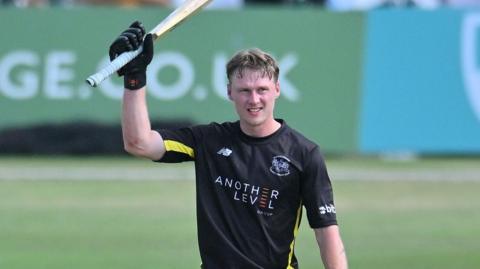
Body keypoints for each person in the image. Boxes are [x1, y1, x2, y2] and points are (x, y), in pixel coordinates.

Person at [109, 21, 348, 269]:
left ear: (277, 89)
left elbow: (326, 232)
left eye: (262, 90)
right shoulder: (209, 140)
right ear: (229, 92)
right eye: (244, 90)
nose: (254, 99)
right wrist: (134, 78)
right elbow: (139, 143)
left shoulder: (304, 153)